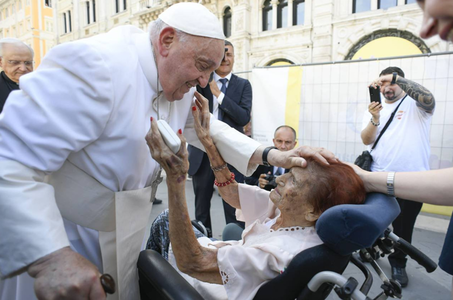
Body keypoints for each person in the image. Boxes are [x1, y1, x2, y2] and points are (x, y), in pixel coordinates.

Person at [0, 3, 336, 300]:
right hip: (69, 238)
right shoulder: (97, 63)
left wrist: (268, 155)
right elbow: (10, 155)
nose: (205, 82)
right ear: (167, 41)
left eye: (211, 71)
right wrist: (49, 255)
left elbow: (202, 125)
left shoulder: (178, 80)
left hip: (125, 237)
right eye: (202, 66)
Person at [145, 95, 366, 300]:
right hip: (226, 255)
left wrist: (176, 178)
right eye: (287, 173)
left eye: (293, 181)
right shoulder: (294, 214)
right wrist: (208, 144)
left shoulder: (278, 254)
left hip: (206, 287)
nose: (280, 179)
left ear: (314, 211)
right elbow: (231, 193)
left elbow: (192, 262)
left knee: (162, 223)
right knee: (190, 226)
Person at [360, 66, 435, 287]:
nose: (386, 88)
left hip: (412, 181)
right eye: (382, 84)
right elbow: (366, 140)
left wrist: (395, 78)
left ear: (402, 83)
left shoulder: (417, 105)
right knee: (374, 220)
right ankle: (370, 247)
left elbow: (428, 99)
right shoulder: (374, 108)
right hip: (378, 178)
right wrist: (374, 118)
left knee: (403, 228)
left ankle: (398, 264)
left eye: (391, 83)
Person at [188, 40, 252, 235]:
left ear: (234, 58)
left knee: (233, 209)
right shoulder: (201, 81)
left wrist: (219, 95)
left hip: (231, 155)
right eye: (222, 54)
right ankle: (203, 246)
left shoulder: (243, 85)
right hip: (202, 153)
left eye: (229, 54)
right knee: (201, 208)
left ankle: (234, 247)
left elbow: (242, 117)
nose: (225, 58)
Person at [245, 125, 297, 190]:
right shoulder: (262, 158)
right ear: (274, 141)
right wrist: (258, 183)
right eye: (279, 141)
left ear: (294, 144)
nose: (283, 146)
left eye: (287, 142)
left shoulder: (298, 165)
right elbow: (248, 178)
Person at [0, 38, 34, 113]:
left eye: (28, 63)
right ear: (1, 62)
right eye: (15, 62)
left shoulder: (41, 86)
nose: (23, 69)